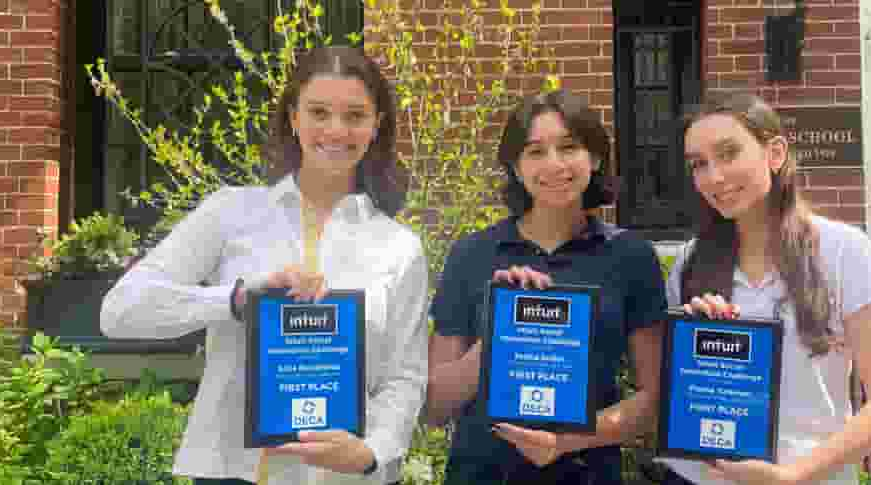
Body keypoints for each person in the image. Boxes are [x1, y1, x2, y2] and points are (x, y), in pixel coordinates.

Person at [100, 45, 429, 485]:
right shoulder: (230, 212)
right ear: (293, 118)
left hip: (343, 477)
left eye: (355, 115)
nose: (336, 129)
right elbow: (120, 312)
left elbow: (405, 376)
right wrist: (236, 300)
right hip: (231, 472)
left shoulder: (399, 246)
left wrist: (372, 452)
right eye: (318, 112)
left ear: (376, 125)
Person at [659, 92, 871, 485]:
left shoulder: (844, 251)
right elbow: (680, 397)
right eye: (699, 164)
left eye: (728, 154)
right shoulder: (691, 260)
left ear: (774, 153)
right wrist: (696, 337)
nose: (714, 177)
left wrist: (793, 475)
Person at [424, 89, 668, 485]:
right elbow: (435, 407)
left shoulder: (630, 257)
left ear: (595, 157)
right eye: (535, 151)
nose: (554, 164)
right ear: (517, 168)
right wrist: (498, 337)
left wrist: (565, 441)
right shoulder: (471, 255)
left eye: (569, 147)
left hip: (587, 475)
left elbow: (653, 402)